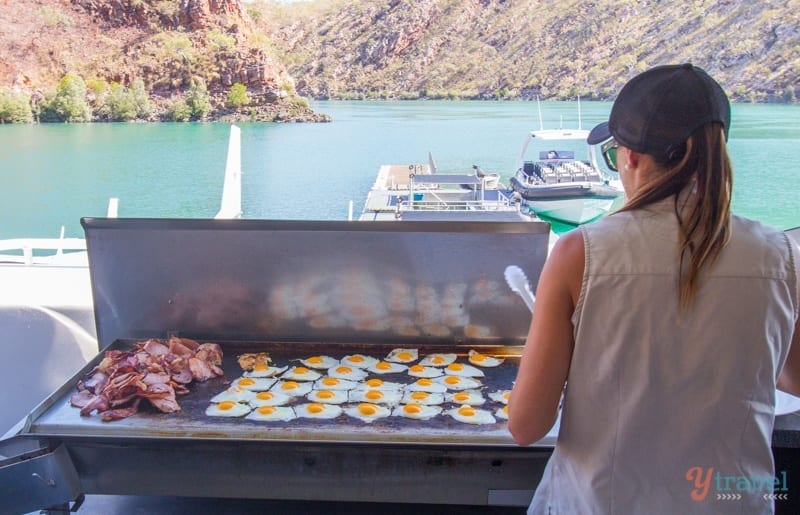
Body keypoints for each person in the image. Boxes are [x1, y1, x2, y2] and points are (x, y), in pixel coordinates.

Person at [508, 63, 800, 514]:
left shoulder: (578, 254)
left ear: (632, 158)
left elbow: (527, 424)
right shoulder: (782, 255)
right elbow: (794, 377)